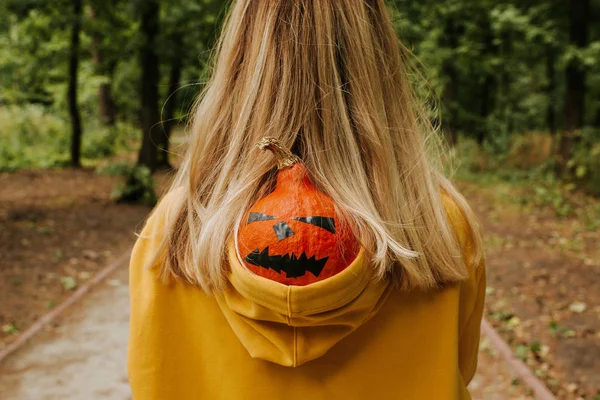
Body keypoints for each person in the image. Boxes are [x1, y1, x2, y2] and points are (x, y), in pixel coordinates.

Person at [127, 1, 486, 399]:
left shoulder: (176, 229)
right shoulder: (438, 226)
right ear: (376, 59)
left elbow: (154, 379)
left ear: (239, 59)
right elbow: (461, 368)